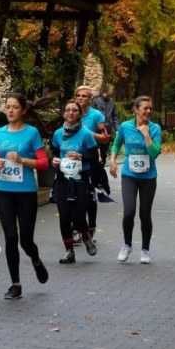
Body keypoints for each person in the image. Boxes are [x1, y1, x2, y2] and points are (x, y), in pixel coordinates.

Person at [0, 93, 49, 300]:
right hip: (4, 190)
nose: (10, 111)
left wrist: (23, 159)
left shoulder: (32, 133)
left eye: (15, 107)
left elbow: (43, 163)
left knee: (25, 240)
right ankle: (15, 284)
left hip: (25, 192)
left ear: (23, 110)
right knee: (10, 237)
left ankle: (36, 260)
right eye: (7, 107)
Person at [109, 96, 161, 264]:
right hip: (129, 176)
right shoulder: (125, 127)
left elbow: (154, 153)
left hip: (148, 177)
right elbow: (116, 144)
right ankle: (127, 244)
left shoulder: (155, 129)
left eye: (150, 109)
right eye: (145, 108)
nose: (148, 111)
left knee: (145, 214)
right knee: (129, 212)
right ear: (136, 109)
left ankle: (145, 249)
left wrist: (146, 135)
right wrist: (112, 162)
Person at [51, 100, 100, 264]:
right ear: (64, 113)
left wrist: (80, 156)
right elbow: (54, 153)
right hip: (63, 180)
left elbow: (95, 157)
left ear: (79, 114)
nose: (70, 113)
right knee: (64, 217)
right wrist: (55, 160)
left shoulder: (86, 134)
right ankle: (69, 251)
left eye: (74, 110)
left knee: (79, 217)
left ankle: (85, 236)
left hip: (81, 180)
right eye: (67, 110)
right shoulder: (58, 133)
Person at [75, 85, 109, 241]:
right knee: (72, 196)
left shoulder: (97, 116)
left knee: (89, 196)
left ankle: (91, 227)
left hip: (90, 160)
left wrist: (88, 133)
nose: (81, 98)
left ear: (90, 99)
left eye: (84, 96)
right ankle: (76, 229)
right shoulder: (71, 113)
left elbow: (105, 138)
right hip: (73, 162)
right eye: (78, 95)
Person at [91, 85, 119, 166]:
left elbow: (115, 117)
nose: (113, 92)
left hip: (108, 131)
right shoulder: (95, 100)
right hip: (96, 131)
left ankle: (101, 171)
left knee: (104, 153)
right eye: (112, 90)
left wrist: (118, 129)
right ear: (106, 90)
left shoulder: (112, 102)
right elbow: (92, 115)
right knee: (94, 152)